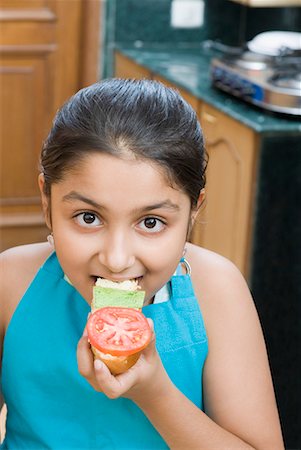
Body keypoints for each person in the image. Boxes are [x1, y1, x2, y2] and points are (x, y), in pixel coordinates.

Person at [0, 79, 284, 449]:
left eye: (150, 223)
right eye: (88, 217)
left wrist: (155, 394)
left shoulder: (217, 291)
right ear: (46, 201)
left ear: (194, 210)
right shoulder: (12, 281)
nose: (116, 260)